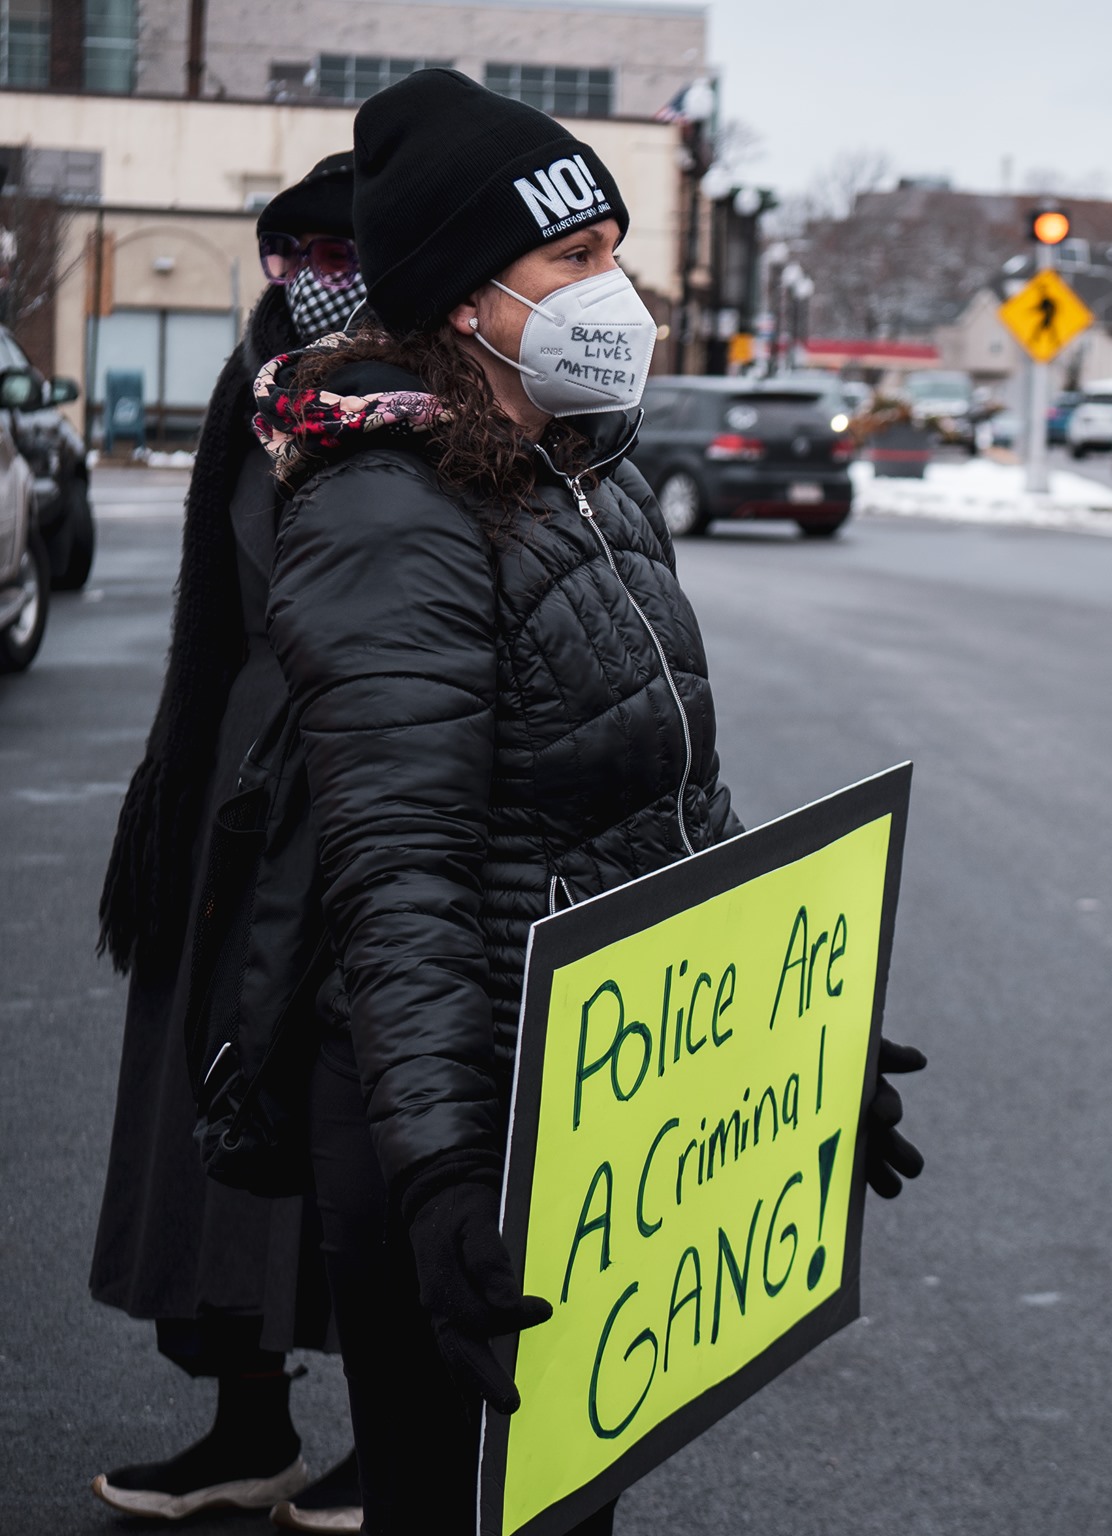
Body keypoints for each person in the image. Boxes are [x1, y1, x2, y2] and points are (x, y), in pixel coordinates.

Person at [247, 70, 923, 1533]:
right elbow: (397, 870)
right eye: (573, 257)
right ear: (464, 301)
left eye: (614, 247)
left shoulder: (583, 479)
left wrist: (796, 1051)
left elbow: (672, 803)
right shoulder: (384, 512)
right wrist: (437, 1176)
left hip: (588, 1106)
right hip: (466, 1121)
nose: (615, 288)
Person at [90, 151, 364, 1531]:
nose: (312, 275)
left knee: (369, 1112)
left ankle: (409, 1434)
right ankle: (245, 1425)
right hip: (234, 800)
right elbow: (222, 604)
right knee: (213, 1115)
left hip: (369, 798)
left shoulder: (452, 399)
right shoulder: (262, 379)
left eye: (342, 246)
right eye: (294, 247)